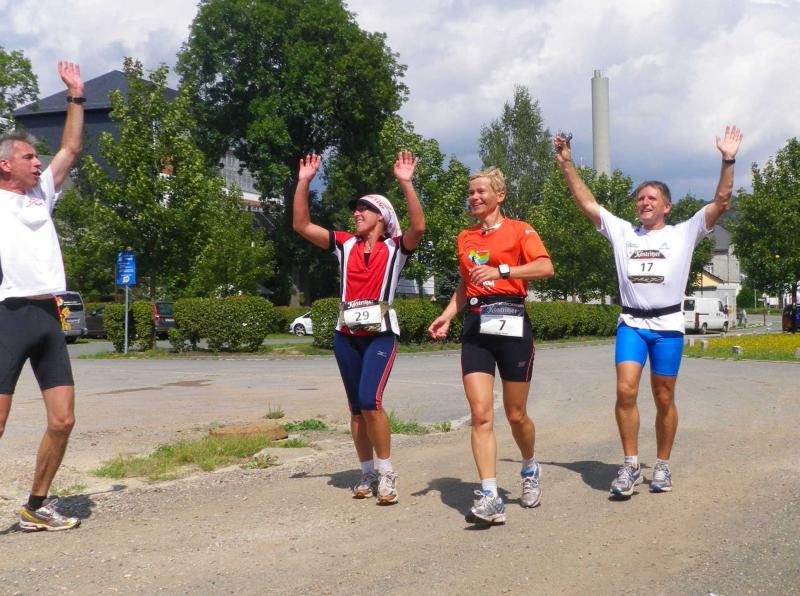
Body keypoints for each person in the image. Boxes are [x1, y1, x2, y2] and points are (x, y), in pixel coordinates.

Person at [553, 125, 743, 497]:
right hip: (632, 323)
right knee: (625, 391)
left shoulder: (684, 232)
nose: (644, 203)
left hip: (668, 325)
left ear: (666, 206)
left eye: (652, 198)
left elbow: (721, 202)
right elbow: (587, 203)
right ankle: (629, 465)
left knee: (664, 396)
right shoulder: (624, 233)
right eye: (640, 198)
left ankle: (663, 465)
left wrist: (728, 159)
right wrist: (567, 165)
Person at [293, 150, 424, 505]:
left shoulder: (396, 248)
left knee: (370, 400)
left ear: (382, 216)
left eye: (364, 208)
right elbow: (302, 225)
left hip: (380, 335)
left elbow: (418, 227)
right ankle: (366, 472)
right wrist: (304, 182)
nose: (356, 212)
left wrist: (406, 183)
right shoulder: (344, 244)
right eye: (355, 209)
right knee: (355, 408)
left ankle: (387, 473)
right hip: (346, 336)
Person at [428, 167, 554, 524]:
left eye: (481, 191)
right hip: (476, 326)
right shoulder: (465, 237)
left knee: (515, 415)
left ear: (499, 195)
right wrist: (447, 315)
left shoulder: (520, 230)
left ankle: (529, 467)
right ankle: (490, 495)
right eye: (470, 192)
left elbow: (545, 267)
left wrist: (503, 272)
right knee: (481, 413)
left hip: (512, 322)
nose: (474, 197)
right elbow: (466, 284)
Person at [0, 62, 85, 530]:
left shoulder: (42, 194)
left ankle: (36, 506)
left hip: (48, 316)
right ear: (5, 164)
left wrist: (76, 95)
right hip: (7, 317)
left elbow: (71, 147)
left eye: (37, 157)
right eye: (29, 157)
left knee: (63, 420)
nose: (38, 162)